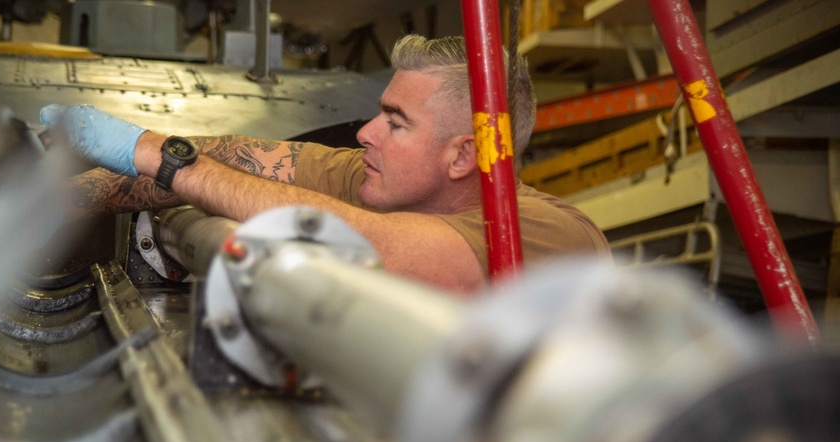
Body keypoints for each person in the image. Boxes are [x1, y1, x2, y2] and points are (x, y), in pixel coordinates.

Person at [41, 34, 609, 294]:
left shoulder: (549, 238)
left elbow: (376, 246)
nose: (366, 133)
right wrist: (59, 200)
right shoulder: (380, 183)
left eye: (396, 121)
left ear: (464, 154)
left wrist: (165, 160)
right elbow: (241, 157)